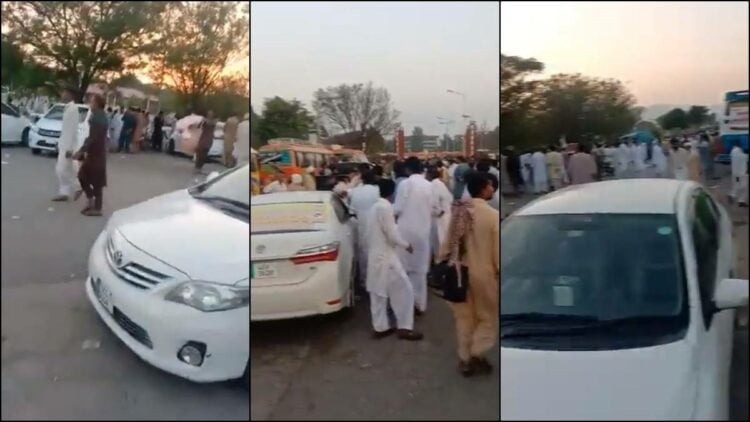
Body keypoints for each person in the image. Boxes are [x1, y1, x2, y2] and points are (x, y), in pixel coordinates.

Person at [440, 172, 499, 376]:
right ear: (483, 188)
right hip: (484, 275)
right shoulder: (492, 216)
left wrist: (442, 262)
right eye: (490, 186)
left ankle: (465, 359)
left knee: (464, 318)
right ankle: (477, 352)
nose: (492, 189)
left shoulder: (459, 212)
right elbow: (498, 254)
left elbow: (446, 244)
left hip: (458, 274)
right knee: (488, 318)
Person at [366, 179, 423, 340]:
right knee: (404, 290)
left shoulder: (374, 207)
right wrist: (406, 245)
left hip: (375, 255)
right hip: (386, 257)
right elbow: (391, 234)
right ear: (393, 193)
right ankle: (405, 327)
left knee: (377, 294)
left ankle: (380, 327)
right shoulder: (385, 207)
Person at [393, 157, 434, 315]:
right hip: (423, 232)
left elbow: (397, 208)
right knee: (420, 270)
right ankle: (420, 304)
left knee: (404, 269)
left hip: (405, 232)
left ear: (408, 169)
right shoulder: (429, 186)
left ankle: (405, 304)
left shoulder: (405, 184)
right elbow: (434, 209)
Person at [73, 94, 108, 216]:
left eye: (92, 102)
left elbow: (92, 138)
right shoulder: (97, 116)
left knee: (96, 182)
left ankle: (97, 208)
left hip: (97, 153)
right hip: (94, 153)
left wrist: (81, 151)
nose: (90, 104)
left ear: (97, 104)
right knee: (83, 175)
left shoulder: (99, 118)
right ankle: (90, 200)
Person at [349, 171, 381, 290]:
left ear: (361, 179)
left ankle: (364, 281)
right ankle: (377, 279)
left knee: (363, 254)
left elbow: (352, 211)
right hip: (377, 225)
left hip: (361, 226)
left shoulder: (356, 192)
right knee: (377, 252)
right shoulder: (377, 190)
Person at [52, 87, 81, 201]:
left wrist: (70, 148)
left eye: (64, 92)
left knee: (61, 169)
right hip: (64, 144)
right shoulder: (68, 108)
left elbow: (72, 129)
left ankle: (79, 186)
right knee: (68, 169)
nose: (62, 94)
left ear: (70, 94)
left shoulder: (73, 109)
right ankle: (65, 192)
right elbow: (65, 129)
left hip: (68, 146)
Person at [426, 166, 452, 264]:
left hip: (440, 217)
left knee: (439, 240)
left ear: (429, 175)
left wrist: (437, 212)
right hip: (446, 214)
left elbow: (435, 203)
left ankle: (439, 262)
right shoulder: (440, 184)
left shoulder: (434, 185)